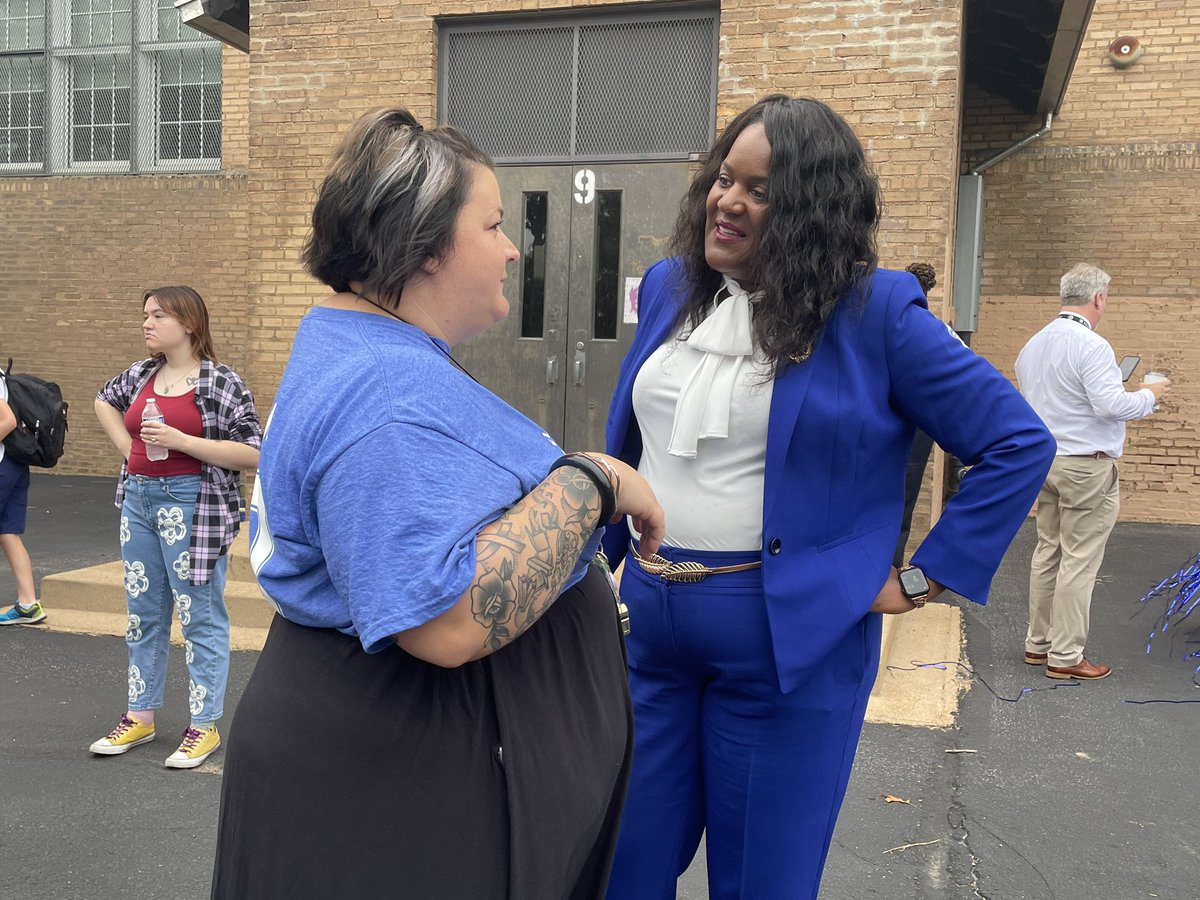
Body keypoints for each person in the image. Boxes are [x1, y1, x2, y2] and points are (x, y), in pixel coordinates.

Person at [601, 94, 1056, 900]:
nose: (728, 201)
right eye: (724, 179)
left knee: (761, 883)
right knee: (620, 866)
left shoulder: (875, 313)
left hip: (790, 648)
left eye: (763, 190)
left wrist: (921, 578)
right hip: (647, 632)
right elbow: (632, 433)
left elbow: (1016, 442)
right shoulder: (673, 288)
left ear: (814, 209)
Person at [209, 107, 664, 900]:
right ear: (423, 248)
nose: (514, 247)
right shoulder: (385, 398)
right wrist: (595, 481)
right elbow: (444, 618)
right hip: (403, 781)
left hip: (387, 761)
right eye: (492, 224)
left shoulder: (367, 352)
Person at [91, 286, 262, 768]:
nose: (146, 323)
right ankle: (140, 717)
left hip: (193, 505)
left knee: (199, 615)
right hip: (139, 501)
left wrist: (180, 440)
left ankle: (203, 726)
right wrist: (131, 452)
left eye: (158, 315)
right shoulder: (142, 373)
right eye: (144, 314)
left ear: (188, 323)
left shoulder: (219, 382)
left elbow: (254, 451)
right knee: (143, 613)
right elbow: (103, 400)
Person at [1015, 263, 1170, 681]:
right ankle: (1065, 656)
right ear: (1098, 298)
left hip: (1045, 461)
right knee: (1079, 560)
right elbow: (1110, 406)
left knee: (1048, 550)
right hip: (1086, 465)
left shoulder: (1034, 344)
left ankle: (1038, 644)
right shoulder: (1092, 345)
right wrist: (1147, 396)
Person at [892, 262, 938, 567]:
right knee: (904, 504)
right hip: (921, 424)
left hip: (893, 421)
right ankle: (892, 567)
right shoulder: (935, 329)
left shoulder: (897, 320)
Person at [0, 371, 43, 626]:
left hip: (2, 464)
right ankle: (28, 605)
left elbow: (8, 420)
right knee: (7, 532)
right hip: (13, 462)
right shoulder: (3, 375)